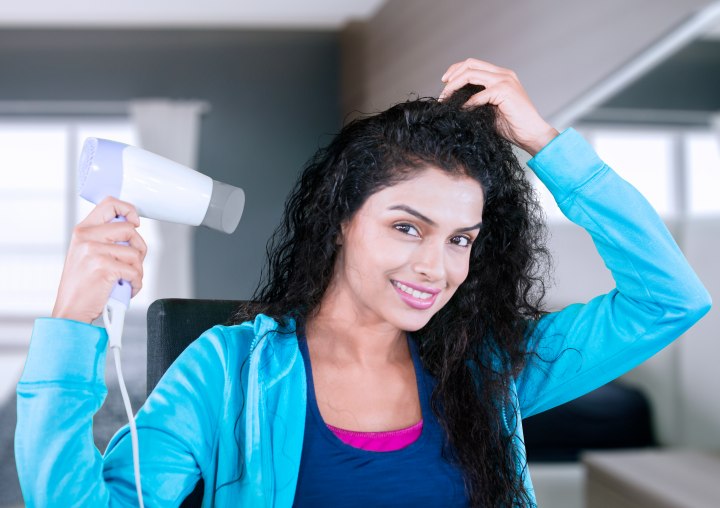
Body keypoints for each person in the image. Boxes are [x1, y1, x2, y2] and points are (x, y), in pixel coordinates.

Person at [16, 59, 711, 507]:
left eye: (460, 239)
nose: (435, 269)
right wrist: (73, 325)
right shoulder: (227, 373)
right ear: (342, 219)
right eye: (407, 227)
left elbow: (670, 298)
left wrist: (547, 145)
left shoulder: (488, 367)